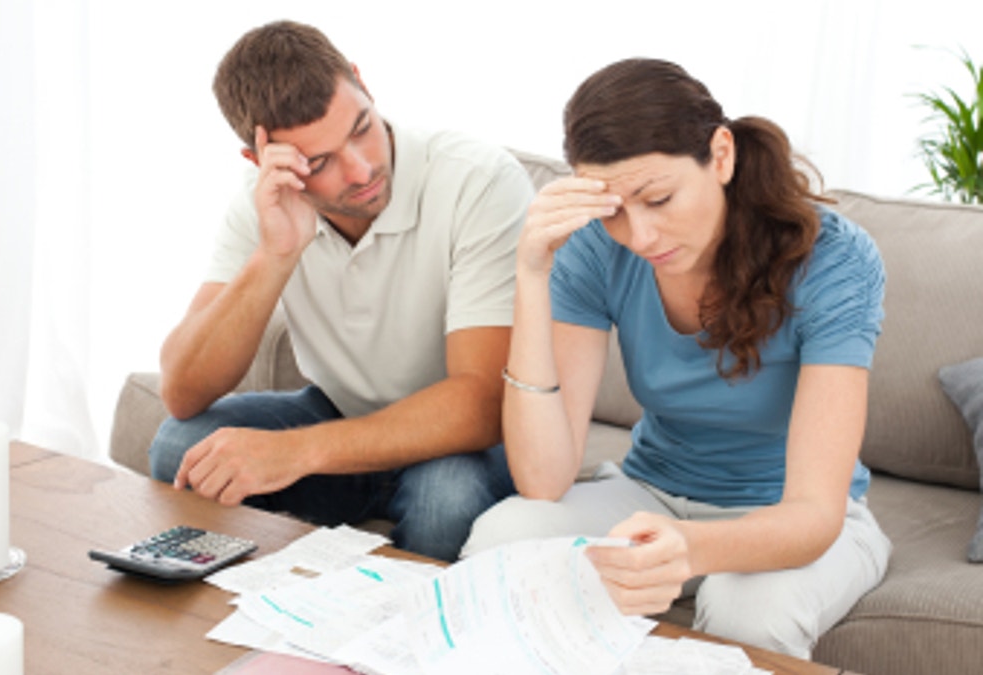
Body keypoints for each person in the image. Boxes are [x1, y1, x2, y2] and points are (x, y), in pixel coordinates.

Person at [461, 58, 892, 657]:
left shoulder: (834, 261)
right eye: (613, 210)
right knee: (501, 539)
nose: (640, 237)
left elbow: (815, 514)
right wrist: (533, 274)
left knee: (748, 614)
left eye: (658, 198)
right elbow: (543, 478)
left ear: (720, 155)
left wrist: (687, 547)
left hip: (790, 516)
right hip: (653, 491)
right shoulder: (593, 248)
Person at [147, 20, 534, 562]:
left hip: (462, 443)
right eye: (321, 162)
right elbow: (183, 391)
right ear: (263, 162)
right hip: (340, 414)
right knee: (179, 447)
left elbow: (481, 404)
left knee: (444, 503)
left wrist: (296, 452)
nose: (362, 169)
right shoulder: (263, 205)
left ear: (361, 82)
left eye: (361, 128)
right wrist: (275, 255)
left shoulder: (478, 181)